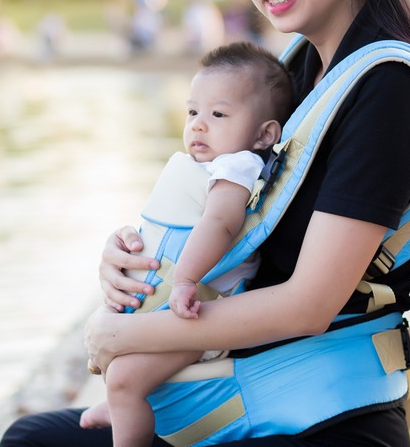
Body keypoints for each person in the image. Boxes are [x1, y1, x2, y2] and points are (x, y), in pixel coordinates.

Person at [0, 0, 410, 446]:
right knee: (33, 437)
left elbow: (308, 305)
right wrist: (125, 261)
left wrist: (130, 336)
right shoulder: (295, 77)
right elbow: (224, 214)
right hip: (249, 386)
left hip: (324, 416)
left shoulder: (387, 88)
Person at [79, 41, 293, 447]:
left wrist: (185, 281)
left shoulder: (238, 166)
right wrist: (126, 241)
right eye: (193, 112)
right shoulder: (205, 165)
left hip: (202, 305)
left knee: (125, 377)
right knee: (122, 370)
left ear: (264, 134)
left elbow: (219, 224)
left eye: (218, 114)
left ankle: (125, 411)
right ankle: (122, 402)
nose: (198, 124)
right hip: (166, 297)